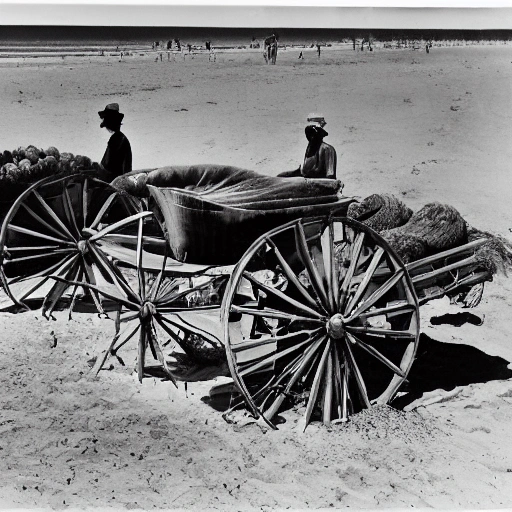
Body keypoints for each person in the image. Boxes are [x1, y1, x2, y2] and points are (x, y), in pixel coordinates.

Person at [278, 114, 337, 179]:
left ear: (319, 134)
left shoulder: (327, 149)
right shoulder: (309, 150)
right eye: (308, 133)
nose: (310, 136)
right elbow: (303, 173)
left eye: (312, 133)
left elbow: (330, 176)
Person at [97, 103, 132, 182]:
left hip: (115, 181)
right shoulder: (119, 137)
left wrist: (96, 169)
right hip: (119, 179)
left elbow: (108, 166)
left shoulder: (117, 139)